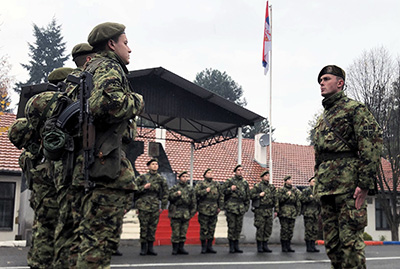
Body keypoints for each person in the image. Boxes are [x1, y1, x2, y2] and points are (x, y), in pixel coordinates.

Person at [70, 22, 144, 268]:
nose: (130, 49)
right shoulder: (109, 67)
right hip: (104, 167)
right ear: (112, 44)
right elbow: (109, 106)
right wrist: (137, 100)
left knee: (87, 240)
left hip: (90, 163)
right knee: (98, 246)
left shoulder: (88, 69)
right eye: (125, 43)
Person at [313, 65, 382, 269]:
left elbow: (372, 144)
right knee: (333, 247)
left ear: (340, 83)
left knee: (350, 246)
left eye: (326, 79)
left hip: (349, 187)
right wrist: (317, 183)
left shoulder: (355, 109)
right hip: (327, 188)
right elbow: (320, 155)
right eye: (320, 81)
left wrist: (365, 184)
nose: (321, 83)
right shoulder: (321, 119)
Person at [135, 158, 169, 256]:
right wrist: (143, 188)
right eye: (153, 164)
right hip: (143, 205)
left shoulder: (161, 179)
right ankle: (143, 248)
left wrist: (163, 206)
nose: (155, 166)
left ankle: (150, 248)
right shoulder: (142, 178)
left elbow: (165, 193)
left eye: (156, 164)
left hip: (154, 205)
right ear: (148, 166)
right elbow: (134, 189)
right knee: (144, 227)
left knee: (152, 228)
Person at [194, 168, 223, 254]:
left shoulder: (216, 184)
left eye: (211, 172)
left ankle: (210, 246)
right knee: (204, 228)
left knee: (212, 228)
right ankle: (203, 247)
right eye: (208, 173)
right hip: (204, 208)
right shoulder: (201, 184)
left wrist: (220, 206)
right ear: (205, 175)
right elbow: (196, 193)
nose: (210, 174)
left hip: (214, 208)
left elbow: (221, 196)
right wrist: (205, 191)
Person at [222, 164, 250, 253]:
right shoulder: (230, 181)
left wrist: (246, 207)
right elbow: (223, 192)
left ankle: (236, 246)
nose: (240, 171)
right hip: (231, 207)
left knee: (238, 228)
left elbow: (247, 196)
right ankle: (231, 246)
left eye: (242, 170)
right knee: (231, 227)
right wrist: (230, 189)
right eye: (238, 170)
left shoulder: (245, 183)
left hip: (240, 207)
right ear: (235, 171)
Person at [168, 171, 197, 255]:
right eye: (183, 176)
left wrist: (191, 213)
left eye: (186, 176)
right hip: (176, 212)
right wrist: (176, 194)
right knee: (176, 232)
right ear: (179, 178)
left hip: (185, 212)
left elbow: (193, 202)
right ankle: (175, 248)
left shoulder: (190, 189)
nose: (185, 178)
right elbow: (169, 197)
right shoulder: (175, 188)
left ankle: (181, 247)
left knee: (183, 232)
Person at [250, 170, 276, 253]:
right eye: (266, 175)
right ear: (262, 177)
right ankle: (259, 246)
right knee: (260, 228)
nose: (268, 177)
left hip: (269, 210)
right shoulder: (258, 186)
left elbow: (275, 199)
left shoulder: (271, 187)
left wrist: (276, 210)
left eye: (268, 175)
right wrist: (259, 195)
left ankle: (265, 245)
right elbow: (251, 195)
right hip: (260, 210)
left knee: (268, 228)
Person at [275, 175, 301, 252]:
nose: (290, 181)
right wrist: (287, 195)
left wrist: (298, 211)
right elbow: (279, 200)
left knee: (290, 230)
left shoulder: (294, 190)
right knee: (284, 230)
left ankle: (288, 245)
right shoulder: (281, 190)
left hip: (292, 212)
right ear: (285, 181)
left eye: (291, 180)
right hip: (284, 212)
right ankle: (284, 246)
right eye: (289, 180)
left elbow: (298, 201)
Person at [300, 176, 320, 253]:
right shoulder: (306, 191)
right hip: (308, 213)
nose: (314, 183)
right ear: (310, 182)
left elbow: (319, 201)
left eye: (315, 181)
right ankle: (308, 246)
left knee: (315, 230)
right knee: (308, 230)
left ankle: (313, 245)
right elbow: (302, 199)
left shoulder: (317, 191)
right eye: (313, 181)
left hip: (315, 213)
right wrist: (310, 198)